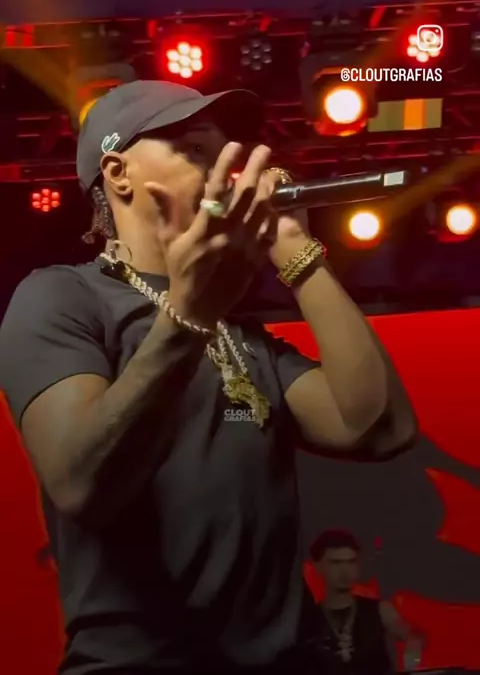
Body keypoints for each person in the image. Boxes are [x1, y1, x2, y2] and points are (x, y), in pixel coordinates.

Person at [0, 80, 417, 674]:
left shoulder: (236, 329)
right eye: (196, 149)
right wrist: (188, 316)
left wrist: (297, 254)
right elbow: (80, 483)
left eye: (226, 154)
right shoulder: (62, 298)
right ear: (119, 173)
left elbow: (379, 428)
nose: (227, 171)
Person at [309, 530, 423, 674]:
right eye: (335, 563)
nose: (345, 571)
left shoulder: (380, 609)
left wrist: (413, 649)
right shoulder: (306, 619)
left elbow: (412, 635)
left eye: (351, 562)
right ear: (318, 567)